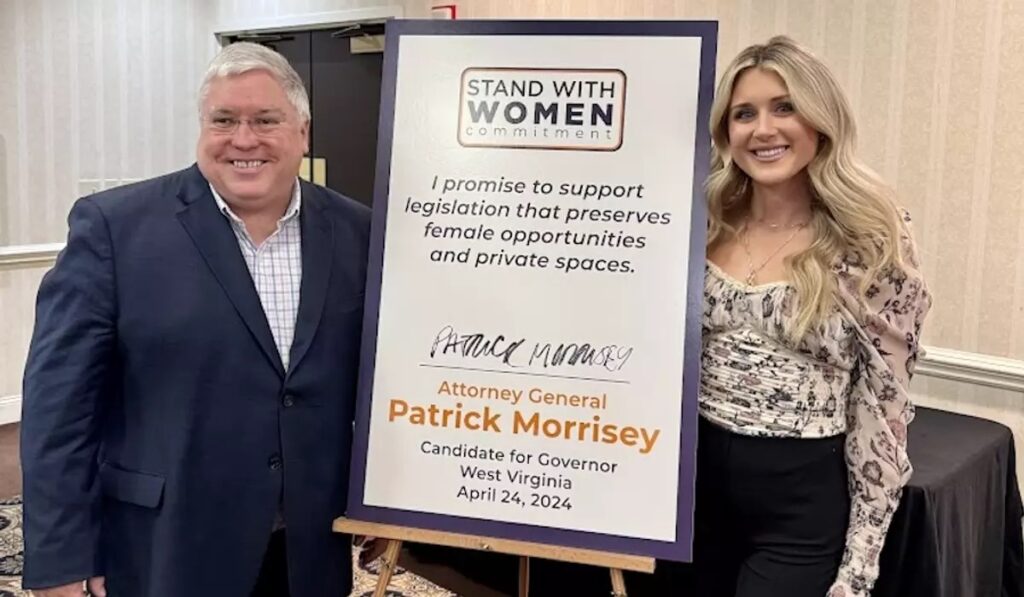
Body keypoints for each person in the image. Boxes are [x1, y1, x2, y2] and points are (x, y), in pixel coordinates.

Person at [20, 42, 379, 597]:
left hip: (307, 549)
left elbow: (377, 389)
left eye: (266, 120)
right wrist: (61, 555)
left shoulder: (360, 232)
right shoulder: (115, 229)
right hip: (166, 546)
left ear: (303, 132)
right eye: (224, 120)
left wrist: (383, 504)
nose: (244, 139)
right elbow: (58, 409)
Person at [696, 36, 931, 597]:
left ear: (821, 120)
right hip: (692, 498)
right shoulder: (703, 218)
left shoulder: (870, 237)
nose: (763, 129)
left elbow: (883, 404)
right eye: (744, 114)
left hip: (798, 512)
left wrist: (858, 569)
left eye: (785, 107)